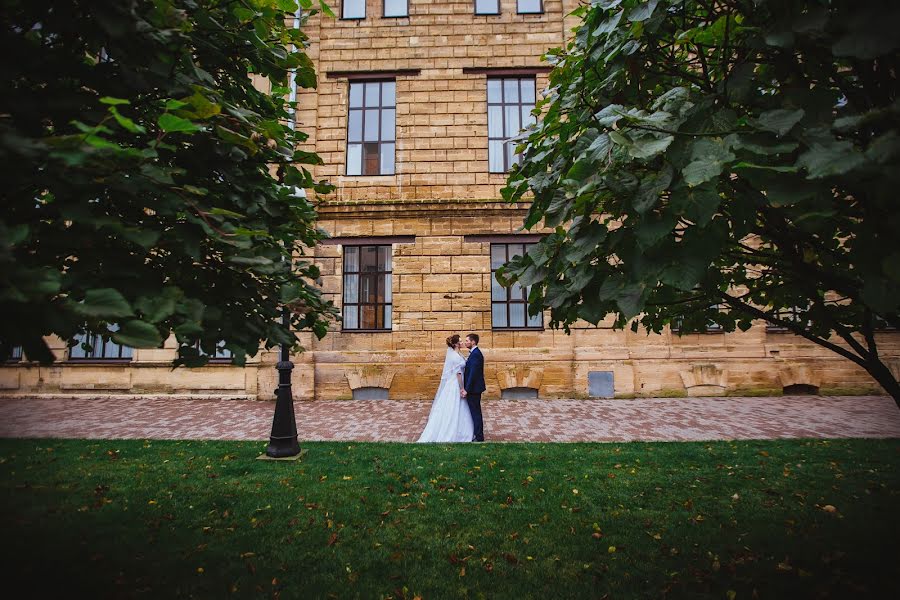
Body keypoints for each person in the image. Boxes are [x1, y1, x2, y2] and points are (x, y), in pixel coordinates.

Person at [417, 334, 474, 443]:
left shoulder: (457, 354)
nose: (462, 343)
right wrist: (462, 388)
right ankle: (453, 432)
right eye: (461, 341)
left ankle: (460, 430)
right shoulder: (455, 357)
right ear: (456, 344)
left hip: (452, 383)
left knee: (458, 408)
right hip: (455, 385)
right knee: (453, 407)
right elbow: (458, 374)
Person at [462, 333, 486, 442]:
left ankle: (479, 437)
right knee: (475, 412)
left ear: (473, 342)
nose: (466, 342)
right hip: (474, 388)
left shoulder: (476, 354)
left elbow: (473, 374)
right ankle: (477, 434)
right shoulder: (474, 353)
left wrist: (467, 389)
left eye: (467, 340)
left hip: (474, 389)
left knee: (476, 412)